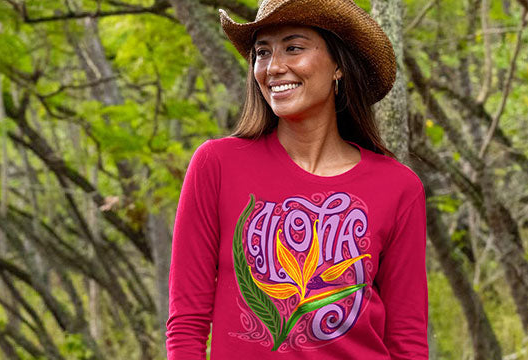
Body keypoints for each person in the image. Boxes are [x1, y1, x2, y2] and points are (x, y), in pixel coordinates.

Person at [163, 0, 428, 358]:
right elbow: (187, 323)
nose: (274, 67)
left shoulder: (398, 187)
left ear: (338, 64)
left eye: (293, 47)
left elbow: (407, 338)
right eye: (262, 52)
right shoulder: (218, 164)